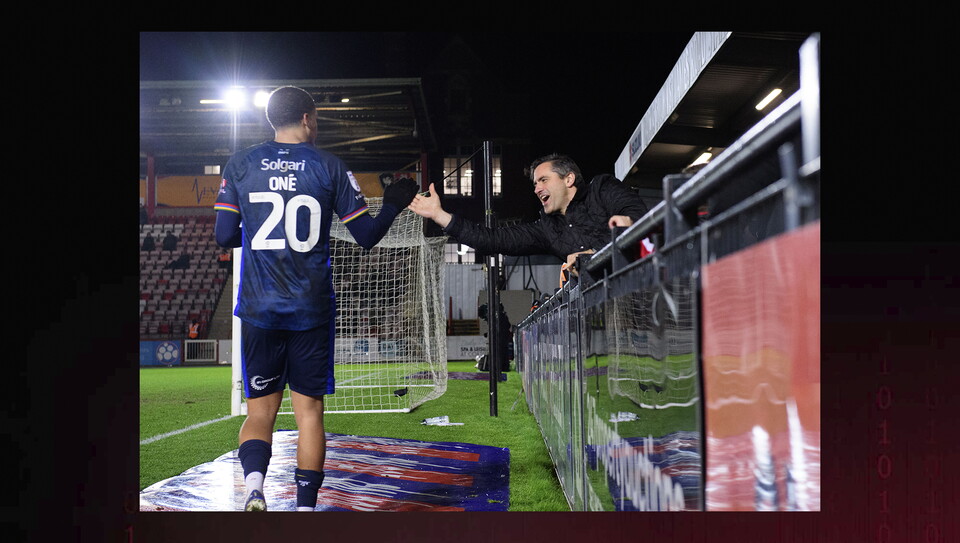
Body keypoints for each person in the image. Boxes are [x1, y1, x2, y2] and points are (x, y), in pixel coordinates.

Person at [213, 85, 419, 512]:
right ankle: (305, 510)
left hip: (258, 308)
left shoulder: (241, 164)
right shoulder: (329, 166)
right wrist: (395, 203)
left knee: (259, 414)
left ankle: (254, 488)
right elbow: (366, 236)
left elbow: (223, 235)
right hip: (310, 309)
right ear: (308, 118)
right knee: (308, 414)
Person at [409, 153, 648, 272]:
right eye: (534, 183)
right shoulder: (546, 229)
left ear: (569, 179)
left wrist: (594, 253)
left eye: (543, 180)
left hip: (650, 283)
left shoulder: (602, 189)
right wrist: (440, 215)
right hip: (607, 310)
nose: (537, 189)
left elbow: (637, 217)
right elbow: (491, 239)